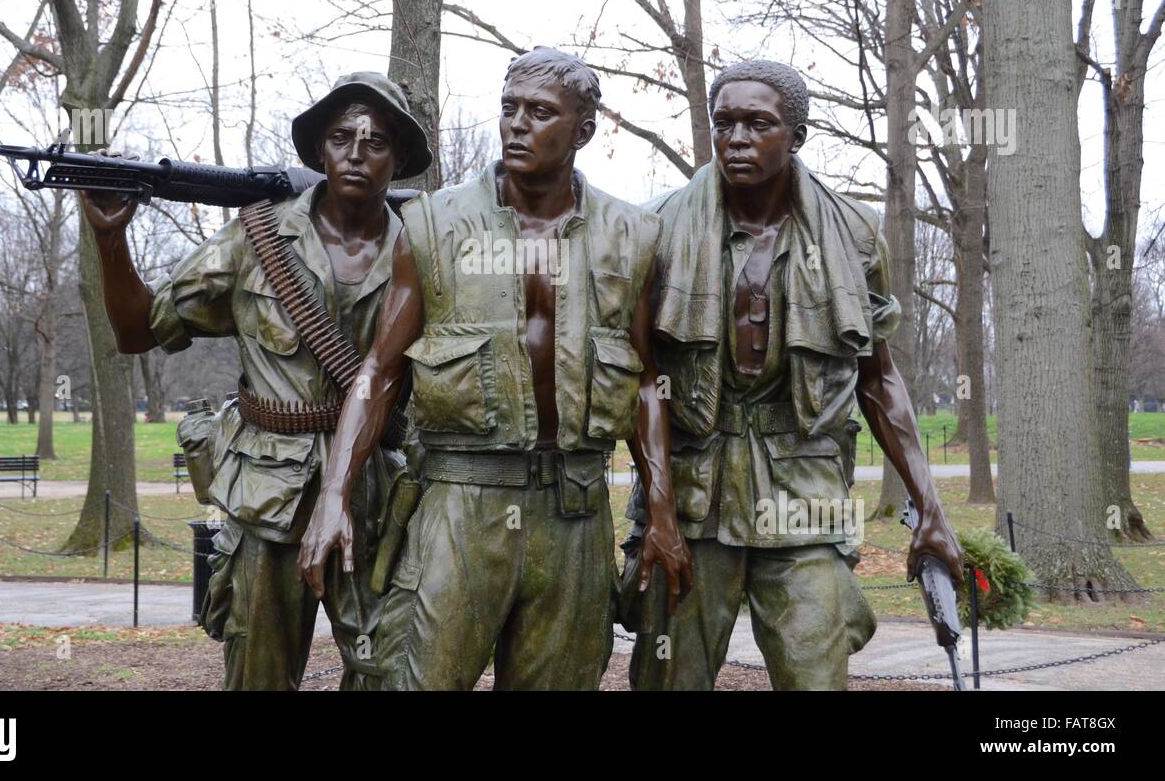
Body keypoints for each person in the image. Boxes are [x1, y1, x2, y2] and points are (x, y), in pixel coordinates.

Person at [298, 47, 692, 690]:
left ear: (583, 131)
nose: (517, 124)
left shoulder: (632, 234)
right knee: (416, 680)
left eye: (540, 113)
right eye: (509, 108)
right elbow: (380, 371)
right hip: (460, 502)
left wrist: (662, 512)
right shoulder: (433, 225)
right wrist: (337, 492)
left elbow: (648, 380)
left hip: (574, 507)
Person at [79, 71, 431, 690]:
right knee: (257, 677)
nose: (356, 151)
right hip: (268, 496)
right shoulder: (256, 239)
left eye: (376, 140)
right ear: (318, 151)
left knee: (389, 674)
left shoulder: (427, 249)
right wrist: (112, 240)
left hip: (377, 496)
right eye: (341, 135)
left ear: (398, 157)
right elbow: (137, 331)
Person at [623, 59, 964, 690]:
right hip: (693, 491)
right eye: (723, 123)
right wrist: (660, 513)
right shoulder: (655, 229)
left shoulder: (854, 235)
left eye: (759, 123)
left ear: (796, 136)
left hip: (802, 486)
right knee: (671, 675)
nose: (738, 138)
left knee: (816, 670)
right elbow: (641, 379)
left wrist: (929, 503)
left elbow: (878, 377)